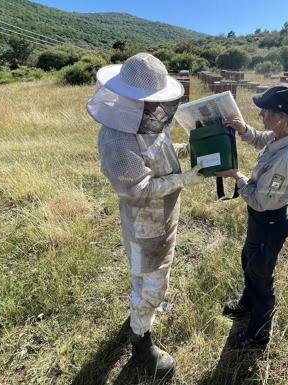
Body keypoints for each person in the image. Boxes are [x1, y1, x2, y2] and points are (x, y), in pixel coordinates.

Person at [87, 53, 203, 376]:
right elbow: (137, 191)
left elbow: (160, 148)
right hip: (145, 224)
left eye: (157, 101)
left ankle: (140, 310)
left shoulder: (145, 117)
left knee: (148, 274)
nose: (156, 108)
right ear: (130, 99)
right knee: (152, 280)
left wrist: (186, 151)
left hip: (163, 217)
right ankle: (141, 345)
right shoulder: (115, 138)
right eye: (150, 102)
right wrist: (183, 180)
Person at [215, 83, 288, 349]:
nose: (260, 117)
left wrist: (235, 176)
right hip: (262, 218)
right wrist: (243, 129)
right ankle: (247, 304)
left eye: (264, 112)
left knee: (262, 279)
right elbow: (259, 138)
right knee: (249, 260)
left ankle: (258, 336)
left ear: (280, 117)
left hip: (269, 220)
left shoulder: (287, 158)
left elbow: (258, 199)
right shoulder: (281, 134)